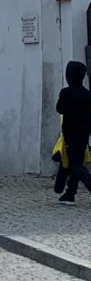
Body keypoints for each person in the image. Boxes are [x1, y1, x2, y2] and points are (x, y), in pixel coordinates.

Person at [56, 60, 91, 205]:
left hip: (70, 133)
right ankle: (70, 192)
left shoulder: (66, 93)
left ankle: (83, 186)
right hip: (84, 134)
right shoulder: (87, 94)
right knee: (75, 161)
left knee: (75, 164)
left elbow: (59, 109)